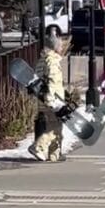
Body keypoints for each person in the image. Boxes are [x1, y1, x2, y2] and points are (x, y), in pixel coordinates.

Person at [28, 34, 66, 162]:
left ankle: (54, 154)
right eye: (60, 45)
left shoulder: (41, 60)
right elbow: (53, 80)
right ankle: (38, 147)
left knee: (55, 126)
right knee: (55, 127)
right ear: (55, 47)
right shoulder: (52, 60)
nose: (62, 47)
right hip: (53, 99)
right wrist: (52, 100)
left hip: (43, 99)